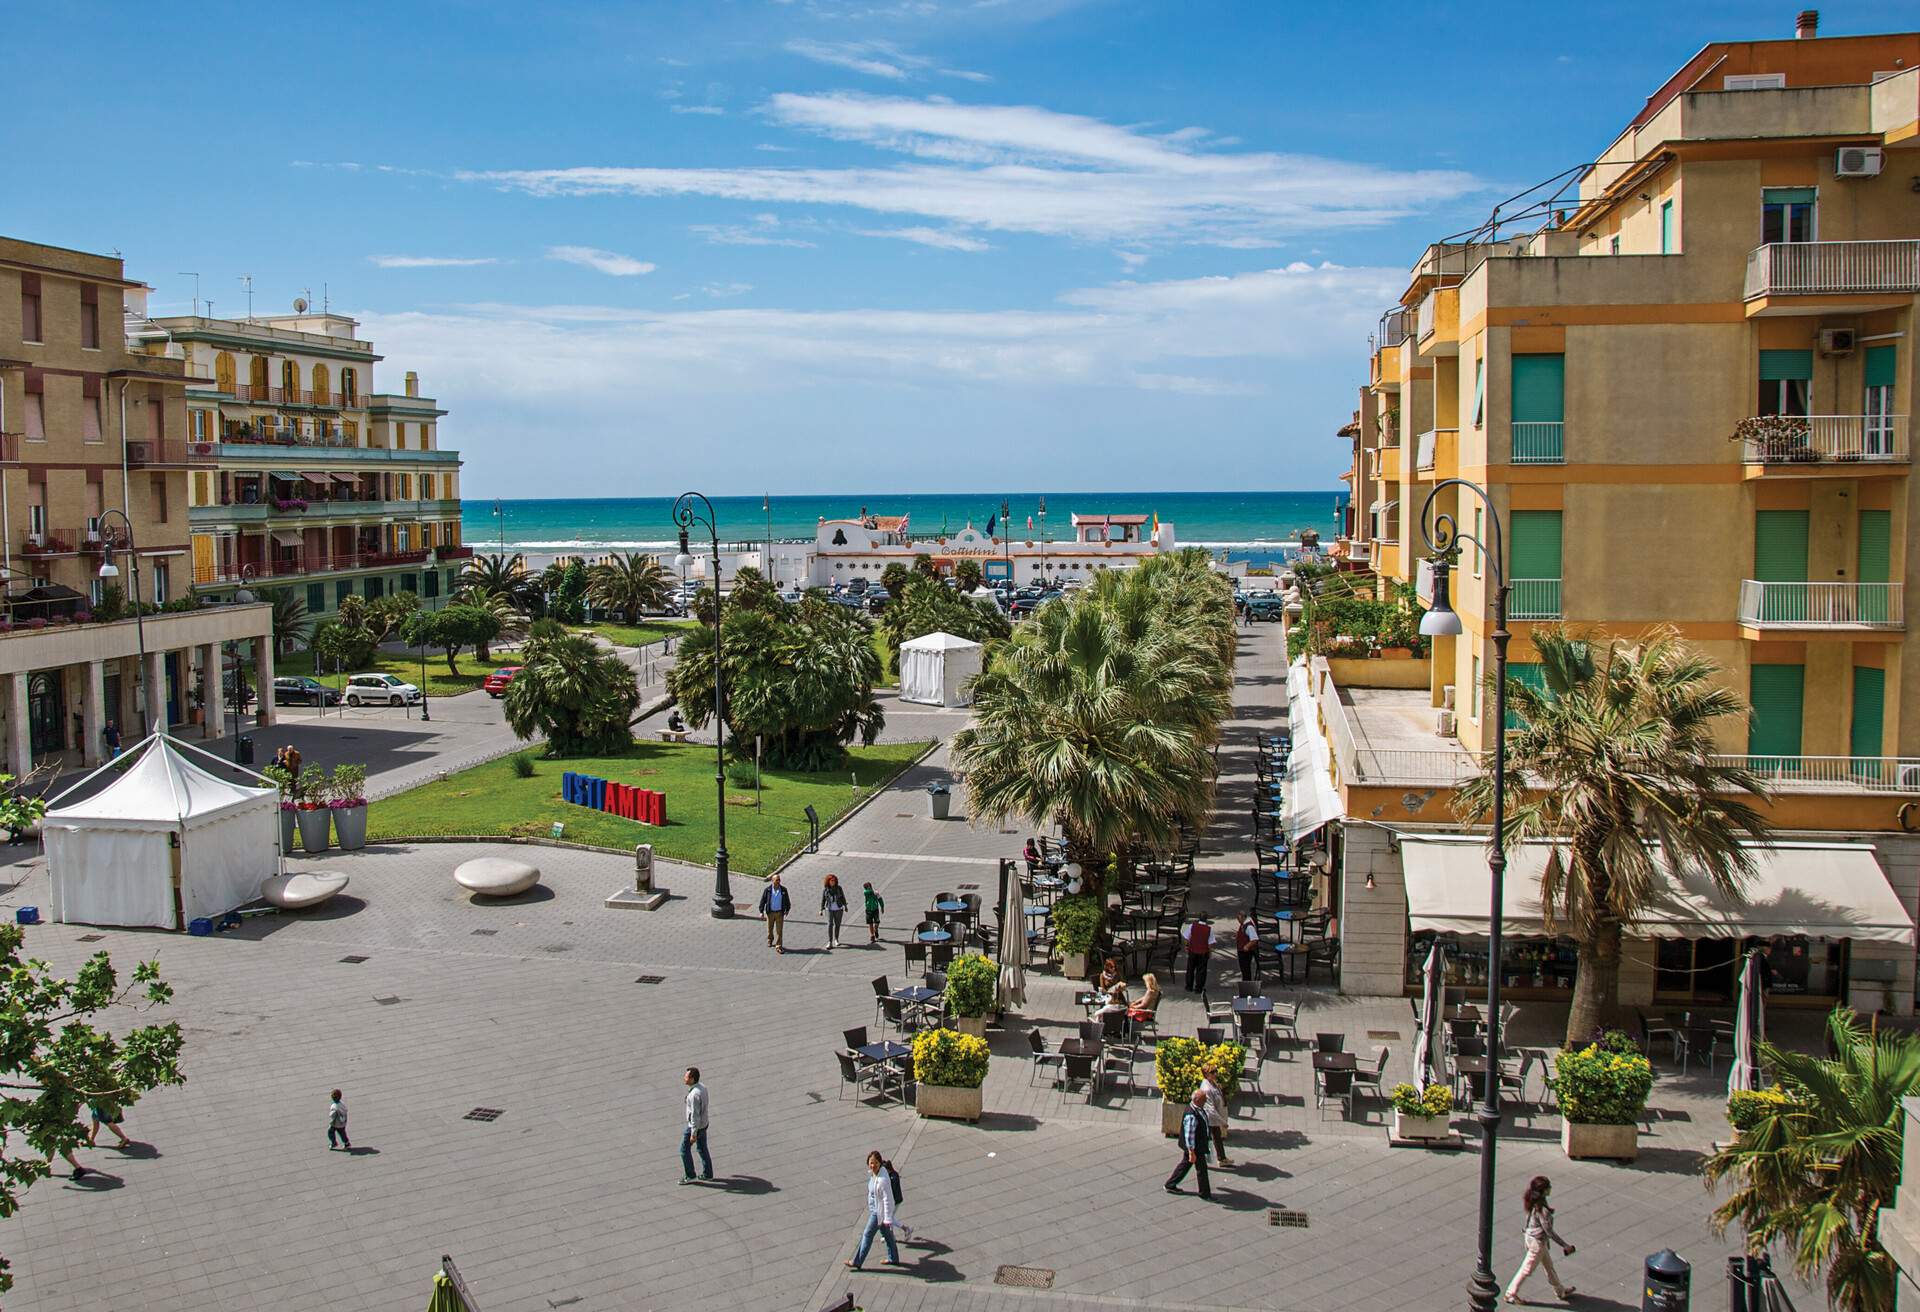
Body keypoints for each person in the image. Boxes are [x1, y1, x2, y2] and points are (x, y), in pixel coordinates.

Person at [1504, 1175, 1576, 1304]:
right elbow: (1549, 1231)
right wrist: (1565, 1245)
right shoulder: (1542, 1209)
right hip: (1537, 1243)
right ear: (1543, 1191)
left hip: (1532, 1239)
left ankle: (1560, 1291)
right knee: (1526, 1269)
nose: (1551, 1188)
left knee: (1549, 1267)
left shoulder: (1533, 1202)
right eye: (1548, 1187)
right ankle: (1510, 1293)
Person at [846, 1150, 902, 1270]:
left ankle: (857, 1261)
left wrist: (887, 1218)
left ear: (880, 1163)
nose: (873, 1165)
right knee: (888, 1235)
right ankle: (894, 1258)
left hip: (878, 1213)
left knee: (867, 1235)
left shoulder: (882, 1180)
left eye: (875, 1163)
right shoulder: (875, 1173)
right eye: (871, 1163)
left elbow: (887, 1199)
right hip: (877, 1211)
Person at [1163, 1089, 1212, 1200]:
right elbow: (1189, 1135)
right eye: (1204, 1099)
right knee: (1202, 1169)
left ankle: (1170, 1184)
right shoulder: (1192, 1115)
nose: (1206, 1101)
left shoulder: (1197, 1108)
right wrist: (1191, 1152)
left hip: (1196, 1146)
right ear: (1197, 1100)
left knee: (1185, 1165)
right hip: (1196, 1147)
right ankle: (1205, 1193)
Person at [680, 1067, 713, 1184]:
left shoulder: (694, 1095)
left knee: (684, 1149)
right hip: (704, 1123)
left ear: (692, 1079)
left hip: (696, 1126)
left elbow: (694, 1115)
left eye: (686, 1076)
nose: (684, 1078)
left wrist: (693, 1133)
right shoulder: (702, 1087)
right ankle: (708, 1173)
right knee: (702, 1148)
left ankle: (690, 1175)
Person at [1198, 1064, 1232, 1167]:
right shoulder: (1207, 1088)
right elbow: (1210, 1110)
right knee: (1206, 1140)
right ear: (1206, 1074)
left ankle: (1221, 1158)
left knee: (1216, 1138)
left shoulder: (1211, 1082)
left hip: (1213, 1118)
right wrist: (1223, 1122)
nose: (1215, 1074)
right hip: (1210, 1119)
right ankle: (1202, 1160)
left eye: (1215, 1071)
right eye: (1212, 1072)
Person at [758, 875, 792, 953]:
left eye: (779, 880)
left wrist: (787, 909)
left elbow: (787, 900)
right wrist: (761, 911)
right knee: (770, 929)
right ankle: (770, 939)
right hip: (770, 913)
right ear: (772, 881)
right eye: (776, 880)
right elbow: (763, 900)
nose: (778, 881)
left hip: (780, 913)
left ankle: (779, 946)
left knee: (779, 931)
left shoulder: (783, 890)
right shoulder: (768, 890)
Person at [1183, 918, 1214, 993]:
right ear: (1206, 920)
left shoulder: (1192, 926)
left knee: (1190, 969)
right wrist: (1210, 953)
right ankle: (1199, 988)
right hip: (1203, 952)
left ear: (1199, 918)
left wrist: (1187, 946)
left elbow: (1186, 937)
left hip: (1193, 951)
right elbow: (1210, 943)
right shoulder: (1209, 929)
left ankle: (1189, 986)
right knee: (1201, 971)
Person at [821, 874, 849, 951]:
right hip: (829, 909)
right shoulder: (826, 890)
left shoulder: (839, 888)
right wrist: (821, 909)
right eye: (831, 881)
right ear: (828, 881)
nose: (833, 882)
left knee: (837, 924)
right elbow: (823, 900)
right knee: (830, 924)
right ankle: (830, 941)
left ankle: (836, 939)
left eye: (834, 880)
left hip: (838, 909)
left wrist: (845, 906)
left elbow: (843, 897)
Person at [1234, 911, 1261, 984]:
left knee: (1246, 969)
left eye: (1239, 919)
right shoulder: (1244, 924)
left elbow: (1254, 939)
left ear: (1243, 917)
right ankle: (1245, 983)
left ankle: (1247, 984)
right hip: (1241, 950)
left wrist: (1247, 946)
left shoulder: (1249, 927)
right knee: (1244, 969)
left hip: (1246, 952)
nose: (1238, 921)